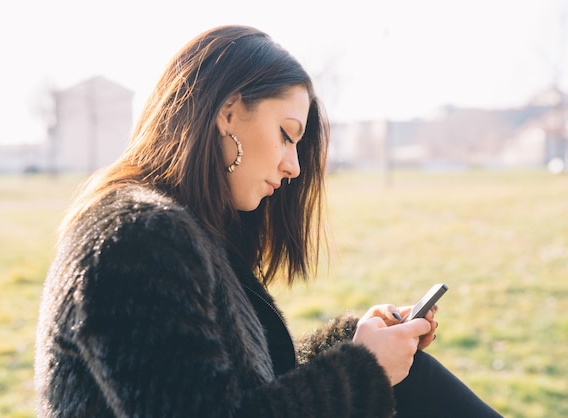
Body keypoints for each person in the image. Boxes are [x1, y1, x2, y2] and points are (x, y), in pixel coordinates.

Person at [34, 25, 502, 417]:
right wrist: (363, 370)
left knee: (413, 379)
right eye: (286, 135)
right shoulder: (133, 235)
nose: (294, 166)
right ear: (229, 111)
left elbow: (243, 388)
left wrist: (355, 344)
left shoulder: (191, 232)